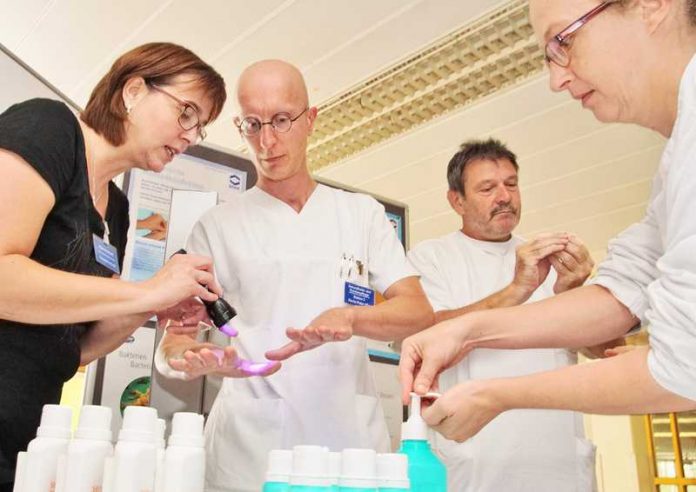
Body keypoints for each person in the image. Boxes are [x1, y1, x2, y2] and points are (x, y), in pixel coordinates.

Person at [399, 0, 696, 446]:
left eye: (565, 40)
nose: (556, 79)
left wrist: (494, 395)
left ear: (652, 6)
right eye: (547, 55)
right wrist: (463, 331)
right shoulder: (677, 156)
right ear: (455, 201)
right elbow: (625, 286)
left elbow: (681, 368)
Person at [156, 59, 434, 492]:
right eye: (252, 124)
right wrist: (190, 359)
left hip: (349, 450)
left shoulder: (360, 215)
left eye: (282, 120)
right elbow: (173, 339)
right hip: (250, 453)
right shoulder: (217, 227)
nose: (266, 141)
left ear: (311, 120)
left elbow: (417, 311)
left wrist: (351, 318)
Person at [0, 42, 226, 491]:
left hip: (25, 439)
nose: (190, 136)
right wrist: (148, 291)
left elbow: (77, 347)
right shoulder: (50, 127)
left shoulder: (117, 210)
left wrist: (152, 307)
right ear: (134, 90)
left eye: (200, 127)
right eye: (186, 113)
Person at [407, 138, 596, 491]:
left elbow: (602, 350)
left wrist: (572, 291)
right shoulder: (432, 258)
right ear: (457, 200)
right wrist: (516, 290)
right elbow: (427, 331)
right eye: (487, 188)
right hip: (480, 461)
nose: (504, 196)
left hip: (556, 461)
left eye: (511, 184)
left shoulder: (550, 259)